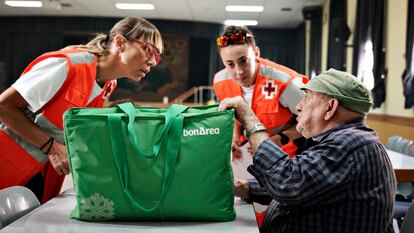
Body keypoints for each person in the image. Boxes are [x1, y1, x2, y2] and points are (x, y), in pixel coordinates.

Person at [0, 17, 163, 203]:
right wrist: (52, 148)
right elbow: (3, 106)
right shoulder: (68, 66)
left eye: (158, 56)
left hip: (41, 171)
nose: (153, 62)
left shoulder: (108, 84)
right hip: (7, 162)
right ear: (120, 43)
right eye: (148, 50)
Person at [218, 69, 396, 233]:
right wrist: (243, 188)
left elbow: (288, 182)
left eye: (307, 97)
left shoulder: (351, 144)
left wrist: (249, 119)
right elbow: (309, 184)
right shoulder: (345, 140)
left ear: (330, 107)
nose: (298, 107)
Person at [213, 25, 308, 159]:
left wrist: (277, 140)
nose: (239, 72)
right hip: (247, 156)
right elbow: (235, 116)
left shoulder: (287, 83)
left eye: (243, 61)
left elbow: (312, 121)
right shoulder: (220, 82)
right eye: (230, 64)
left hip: (287, 155)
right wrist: (235, 137)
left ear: (256, 53)